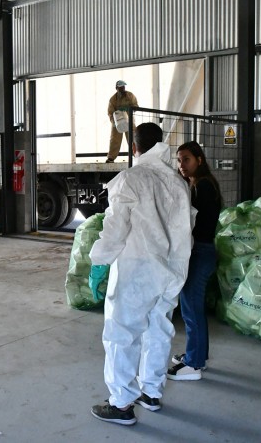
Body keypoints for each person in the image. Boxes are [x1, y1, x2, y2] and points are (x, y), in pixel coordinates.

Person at [88, 122, 195, 426]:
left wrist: (99, 261)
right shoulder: (177, 182)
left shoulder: (130, 179)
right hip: (173, 269)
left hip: (138, 269)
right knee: (159, 329)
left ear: (133, 147)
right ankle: (151, 392)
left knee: (123, 333)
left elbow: (115, 229)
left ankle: (121, 404)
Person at [167, 141, 223, 381]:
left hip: (201, 252)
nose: (182, 165)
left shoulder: (203, 186)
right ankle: (198, 356)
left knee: (191, 309)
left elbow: (194, 223)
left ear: (199, 159)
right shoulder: (199, 184)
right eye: (179, 160)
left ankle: (194, 364)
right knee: (193, 307)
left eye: (187, 159)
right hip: (201, 251)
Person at [106, 80, 139, 163]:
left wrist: (130, 109)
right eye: (120, 87)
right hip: (117, 121)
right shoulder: (113, 99)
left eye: (123, 87)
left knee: (133, 138)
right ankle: (111, 158)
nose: (122, 89)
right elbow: (110, 112)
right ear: (116, 88)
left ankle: (137, 155)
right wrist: (114, 121)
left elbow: (136, 105)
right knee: (115, 140)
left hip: (129, 120)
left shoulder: (130, 95)